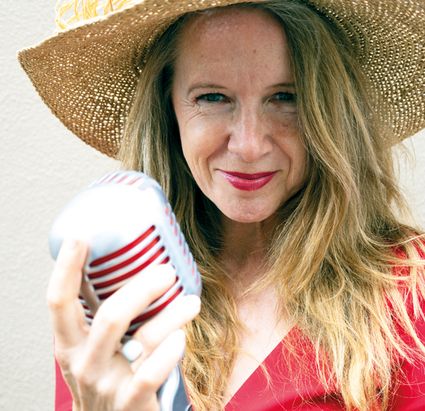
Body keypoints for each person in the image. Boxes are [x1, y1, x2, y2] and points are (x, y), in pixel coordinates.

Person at [19, 0, 425, 410]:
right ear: (167, 108)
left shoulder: (410, 290)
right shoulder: (113, 298)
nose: (249, 145)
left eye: (286, 97)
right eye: (213, 97)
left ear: (329, 110)